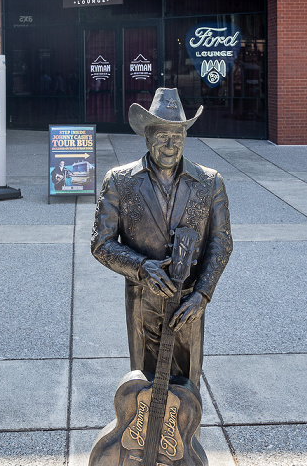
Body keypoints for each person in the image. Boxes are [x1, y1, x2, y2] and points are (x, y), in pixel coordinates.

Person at [92, 86, 233, 391]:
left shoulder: (210, 182)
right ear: (147, 137)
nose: (170, 145)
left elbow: (221, 243)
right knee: (143, 385)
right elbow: (101, 243)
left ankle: (186, 436)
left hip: (189, 302)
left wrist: (202, 295)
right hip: (143, 301)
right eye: (162, 138)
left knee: (188, 385)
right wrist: (142, 267)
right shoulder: (118, 180)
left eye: (178, 137)